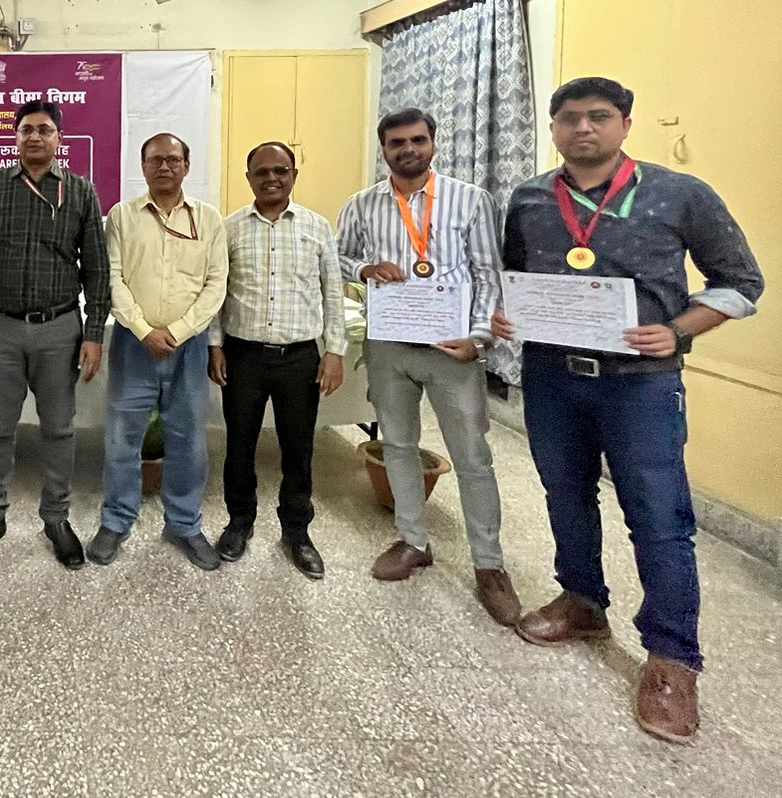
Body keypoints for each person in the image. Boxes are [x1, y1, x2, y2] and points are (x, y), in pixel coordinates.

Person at [497, 77, 764, 744]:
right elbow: (516, 278)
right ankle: (582, 599)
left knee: (659, 518)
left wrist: (678, 330)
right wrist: (507, 314)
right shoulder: (529, 199)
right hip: (552, 378)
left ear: (625, 124)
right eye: (569, 118)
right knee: (565, 495)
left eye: (599, 117)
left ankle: (673, 657)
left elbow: (741, 282)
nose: (583, 128)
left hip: (640, 384)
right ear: (554, 129)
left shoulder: (681, 194)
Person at [336, 108, 521, 625]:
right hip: (390, 345)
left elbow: (488, 273)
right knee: (398, 445)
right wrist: (365, 268)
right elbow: (338, 256)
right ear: (384, 149)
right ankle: (413, 541)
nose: (408, 149)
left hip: (452, 348)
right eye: (397, 143)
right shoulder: (363, 204)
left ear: (433, 143)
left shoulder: (470, 200)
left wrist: (480, 339)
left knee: (472, 457)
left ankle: (489, 564)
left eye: (417, 140)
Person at [0, 100, 111, 570]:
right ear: (16, 137)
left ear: (59, 138)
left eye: (44, 130)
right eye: (26, 130)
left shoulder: (80, 191)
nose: (35, 137)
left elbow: (97, 268)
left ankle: (56, 518)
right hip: (0, 326)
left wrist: (94, 332)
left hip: (60, 329)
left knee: (59, 429)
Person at [86, 133, 228, 570]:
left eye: (173, 159)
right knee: (121, 440)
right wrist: (145, 330)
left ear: (187, 165)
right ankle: (116, 520)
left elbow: (216, 284)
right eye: (155, 160)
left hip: (189, 347)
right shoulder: (122, 216)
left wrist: (180, 331)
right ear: (143, 166)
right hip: (134, 344)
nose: (164, 166)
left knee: (189, 441)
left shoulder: (209, 219)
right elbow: (112, 278)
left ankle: (184, 524)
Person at [208, 141, 347, 579]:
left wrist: (335, 351)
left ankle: (297, 531)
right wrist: (215, 345)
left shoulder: (317, 227)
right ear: (248, 178)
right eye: (262, 172)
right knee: (239, 446)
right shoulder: (229, 228)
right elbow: (217, 293)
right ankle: (239, 522)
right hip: (243, 356)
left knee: (298, 449)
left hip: (299, 358)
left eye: (281, 170)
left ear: (293, 175)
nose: (272, 178)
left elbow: (333, 293)